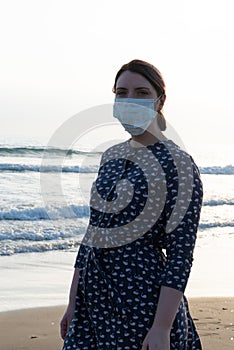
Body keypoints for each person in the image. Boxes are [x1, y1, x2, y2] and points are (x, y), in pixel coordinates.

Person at [60, 59, 203, 350]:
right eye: (121, 93)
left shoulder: (179, 164)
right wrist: (73, 303)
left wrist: (162, 327)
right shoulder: (110, 156)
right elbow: (92, 236)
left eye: (140, 92)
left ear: (159, 100)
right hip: (93, 299)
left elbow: (180, 254)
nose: (129, 100)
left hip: (142, 300)